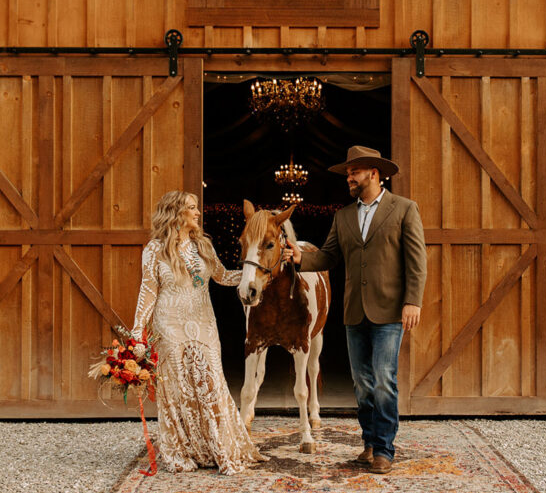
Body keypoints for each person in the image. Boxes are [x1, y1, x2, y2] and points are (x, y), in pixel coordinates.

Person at [282, 145, 426, 475]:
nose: (349, 177)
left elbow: (417, 261)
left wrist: (413, 300)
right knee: (361, 383)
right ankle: (369, 443)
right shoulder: (343, 216)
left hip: (390, 310)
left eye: (354, 171)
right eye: (348, 172)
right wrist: (302, 258)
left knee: (383, 381)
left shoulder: (404, 209)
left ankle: (384, 450)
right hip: (353, 312)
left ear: (374, 173)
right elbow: (330, 256)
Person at [130, 190, 266, 475]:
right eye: (191, 208)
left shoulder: (202, 246)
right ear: (176, 213)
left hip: (203, 322)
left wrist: (256, 276)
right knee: (178, 389)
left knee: (212, 384)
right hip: (169, 325)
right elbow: (148, 291)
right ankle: (183, 450)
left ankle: (218, 449)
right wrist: (137, 332)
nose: (197, 212)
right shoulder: (154, 250)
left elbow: (222, 276)